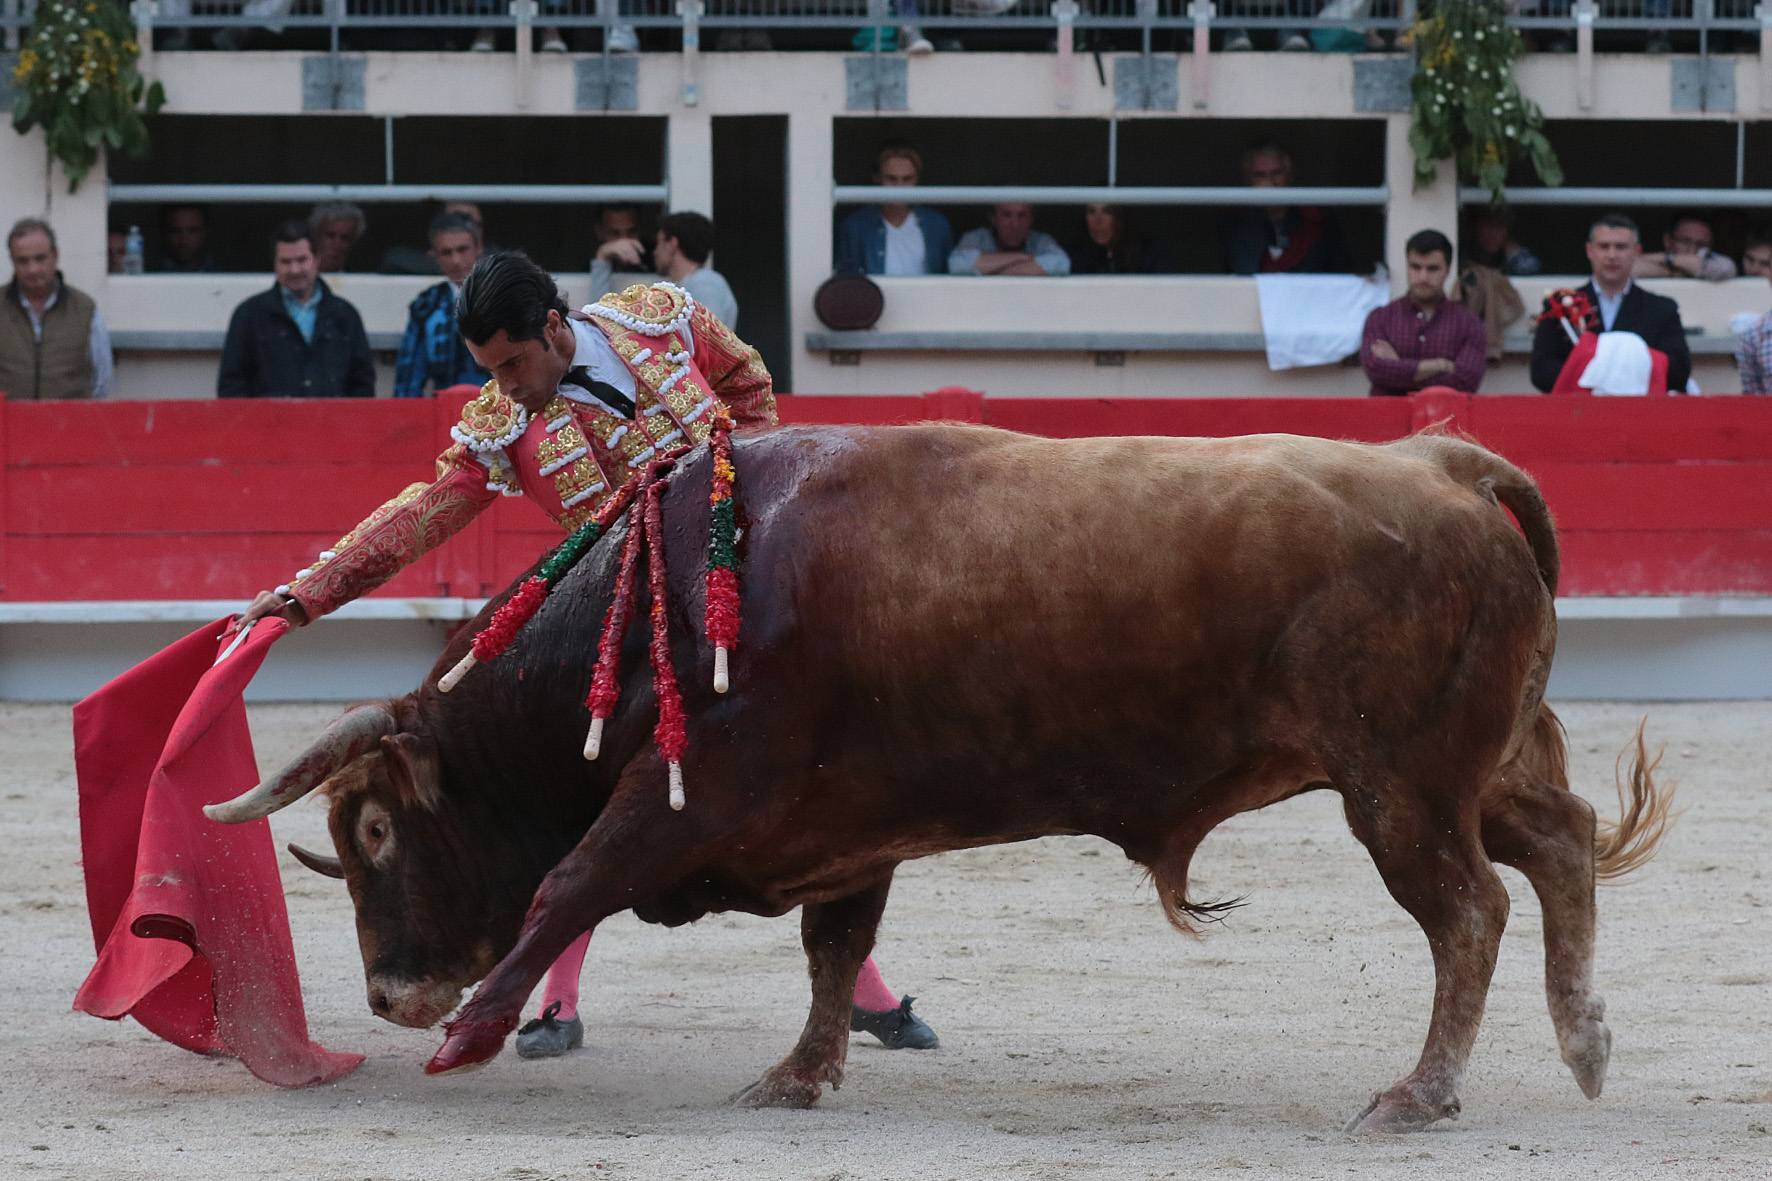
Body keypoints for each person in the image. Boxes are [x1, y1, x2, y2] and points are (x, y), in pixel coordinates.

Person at [230, 251, 938, 1058]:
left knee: (816, 784)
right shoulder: (504, 426)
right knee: (576, 808)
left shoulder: (659, 318)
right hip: (625, 639)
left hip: (748, 608)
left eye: (513, 363)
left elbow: (746, 379)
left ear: (556, 328)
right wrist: (306, 593)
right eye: (490, 371)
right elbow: (424, 513)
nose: (505, 387)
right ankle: (559, 1002)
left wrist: (758, 498)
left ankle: (859, 990)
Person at [1530, 212, 1691, 394]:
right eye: (1604, 246)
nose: (1612, 255)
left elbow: (1679, 371)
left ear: (1636, 252)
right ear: (1589, 250)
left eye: (1621, 247)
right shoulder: (1561, 305)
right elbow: (1541, 371)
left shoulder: (1662, 309)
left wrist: (1600, 373)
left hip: (1638, 415)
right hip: (1578, 414)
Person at [218, 220, 375, 399]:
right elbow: (232, 388)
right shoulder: (248, 315)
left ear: (317, 259)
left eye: (302, 260)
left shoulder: (346, 315)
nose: (294, 270)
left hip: (332, 425)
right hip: (269, 426)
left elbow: (362, 386)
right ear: (275, 265)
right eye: (286, 262)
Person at [1359, 230, 1486, 398]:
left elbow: (1465, 381)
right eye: (1416, 267)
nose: (1423, 277)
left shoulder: (1468, 322)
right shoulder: (1381, 318)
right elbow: (1376, 370)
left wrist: (1399, 367)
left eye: (1432, 269)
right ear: (1407, 266)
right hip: (1387, 420)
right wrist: (1440, 365)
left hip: (1444, 421)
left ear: (1447, 270)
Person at [1, 218, 113, 401]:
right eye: (22, 261)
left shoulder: (84, 309)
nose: (33, 269)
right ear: (12, 261)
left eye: (40, 258)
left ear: (55, 255)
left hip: (69, 424)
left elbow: (102, 380)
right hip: (7, 425)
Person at [394, 212, 491, 399]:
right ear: (434, 255)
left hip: (502, 413)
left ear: (478, 248)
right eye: (446, 252)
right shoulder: (427, 305)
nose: (456, 261)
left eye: (462, 250)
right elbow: (409, 379)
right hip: (446, 411)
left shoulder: (506, 296)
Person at [1221, 141, 1353, 275]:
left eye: (1276, 173)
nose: (1270, 183)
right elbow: (1241, 270)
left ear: (1289, 174)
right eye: (1260, 175)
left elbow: (1341, 272)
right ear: (1249, 180)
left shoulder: (1317, 218)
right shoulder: (1236, 221)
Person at [833, 144, 953, 276]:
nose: (899, 187)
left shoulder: (936, 224)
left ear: (917, 179)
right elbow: (847, 281)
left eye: (907, 179)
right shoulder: (856, 226)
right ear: (877, 177)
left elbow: (947, 277)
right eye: (891, 179)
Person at [652, 211, 739, 329]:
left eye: (659, 242)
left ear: (672, 243)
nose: (655, 252)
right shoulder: (690, 284)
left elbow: (706, 337)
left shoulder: (705, 283)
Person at [948, 203, 1071, 276]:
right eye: (1007, 215)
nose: (1015, 224)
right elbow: (957, 265)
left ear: (1031, 219)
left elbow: (1060, 264)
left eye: (1022, 215)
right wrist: (1021, 257)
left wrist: (989, 269)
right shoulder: (977, 238)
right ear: (993, 218)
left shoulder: (1041, 240)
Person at [1632, 212, 1737, 282]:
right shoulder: (1647, 262)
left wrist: (1667, 259)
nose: (1692, 249)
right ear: (1668, 241)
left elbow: (1726, 269)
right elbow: (1632, 268)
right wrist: (1675, 270)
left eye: (1701, 244)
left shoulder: (1714, 262)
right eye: (1685, 241)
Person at [1068, 203, 1166, 274]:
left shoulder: (1150, 252)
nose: (1098, 221)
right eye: (1091, 211)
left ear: (1120, 217)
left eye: (1107, 211)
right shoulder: (1073, 256)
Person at [588, 203, 658, 300]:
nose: (624, 242)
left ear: (641, 229)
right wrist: (602, 256)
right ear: (599, 232)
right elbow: (597, 310)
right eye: (615, 233)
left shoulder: (656, 260)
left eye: (631, 231)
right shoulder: (587, 268)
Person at [1463, 206, 1540, 277]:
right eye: (1489, 226)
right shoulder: (1467, 252)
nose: (1493, 233)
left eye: (1499, 227)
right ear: (1478, 228)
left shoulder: (1513, 255)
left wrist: (1514, 255)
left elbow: (1533, 270)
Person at [309, 200, 369, 274]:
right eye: (330, 236)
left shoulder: (360, 279)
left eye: (344, 238)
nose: (337, 244)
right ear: (316, 236)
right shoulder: (298, 278)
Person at [156, 204, 216, 273]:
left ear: (205, 232)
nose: (184, 241)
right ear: (164, 233)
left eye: (193, 231)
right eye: (175, 231)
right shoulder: (148, 272)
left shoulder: (224, 273)